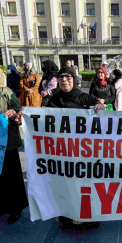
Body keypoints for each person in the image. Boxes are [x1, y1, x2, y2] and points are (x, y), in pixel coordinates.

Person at [47, 66, 104, 229]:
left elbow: (99, 124)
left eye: (68, 77)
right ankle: (68, 217)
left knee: (84, 186)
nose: (64, 80)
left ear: (74, 78)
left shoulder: (86, 99)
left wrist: (100, 109)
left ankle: (88, 217)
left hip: (83, 153)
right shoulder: (54, 101)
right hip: (62, 152)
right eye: (61, 77)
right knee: (65, 186)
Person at [0, 63, 28, 225]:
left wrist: (13, 114)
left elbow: (18, 110)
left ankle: (15, 209)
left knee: (11, 176)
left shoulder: (5, 93)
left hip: (8, 142)